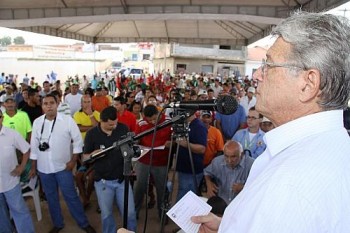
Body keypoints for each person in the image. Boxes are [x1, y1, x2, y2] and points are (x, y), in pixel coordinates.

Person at [191, 12, 350, 233]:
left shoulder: (291, 184)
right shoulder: (332, 147)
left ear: (308, 83)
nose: (256, 75)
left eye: (269, 65)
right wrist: (227, 226)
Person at [29, 94, 96, 233]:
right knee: (51, 197)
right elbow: (34, 146)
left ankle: (83, 223)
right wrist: (34, 167)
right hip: (44, 169)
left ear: (57, 104)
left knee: (70, 196)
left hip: (64, 167)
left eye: (52, 103)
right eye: (45, 103)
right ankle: (58, 223)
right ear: (42, 106)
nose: (49, 106)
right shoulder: (37, 122)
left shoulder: (67, 121)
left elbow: (77, 141)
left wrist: (73, 161)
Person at [83, 106, 137, 232]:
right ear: (101, 121)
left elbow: (130, 148)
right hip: (103, 182)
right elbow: (84, 157)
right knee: (106, 215)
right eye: (109, 125)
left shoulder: (123, 128)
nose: (113, 127)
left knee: (130, 213)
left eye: (115, 123)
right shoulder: (92, 134)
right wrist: (92, 155)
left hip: (122, 179)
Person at [133, 104, 172, 219]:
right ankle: (134, 213)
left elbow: (175, 138)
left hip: (161, 161)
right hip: (144, 160)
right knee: (139, 187)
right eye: (150, 120)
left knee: (162, 188)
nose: (153, 122)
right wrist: (137, 143)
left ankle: (162, 215)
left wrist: (171, 142)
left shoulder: (169, 121)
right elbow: (136, 140)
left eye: (155, 118)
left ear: (159, 112)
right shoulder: (141, 123)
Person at [0, 109, 35, 233]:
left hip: (10, 182)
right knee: (1, 216)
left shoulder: (12, 134)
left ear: (1, 118)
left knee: (19, 211)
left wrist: (22, 166)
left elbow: (26, 150)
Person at [175, 110, 207, 201]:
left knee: (186, 198)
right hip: (184, 167)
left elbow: (202, 149)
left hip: (191, 170)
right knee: (182, 191)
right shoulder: (185, 124)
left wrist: (185, 144)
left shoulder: (198, 127)